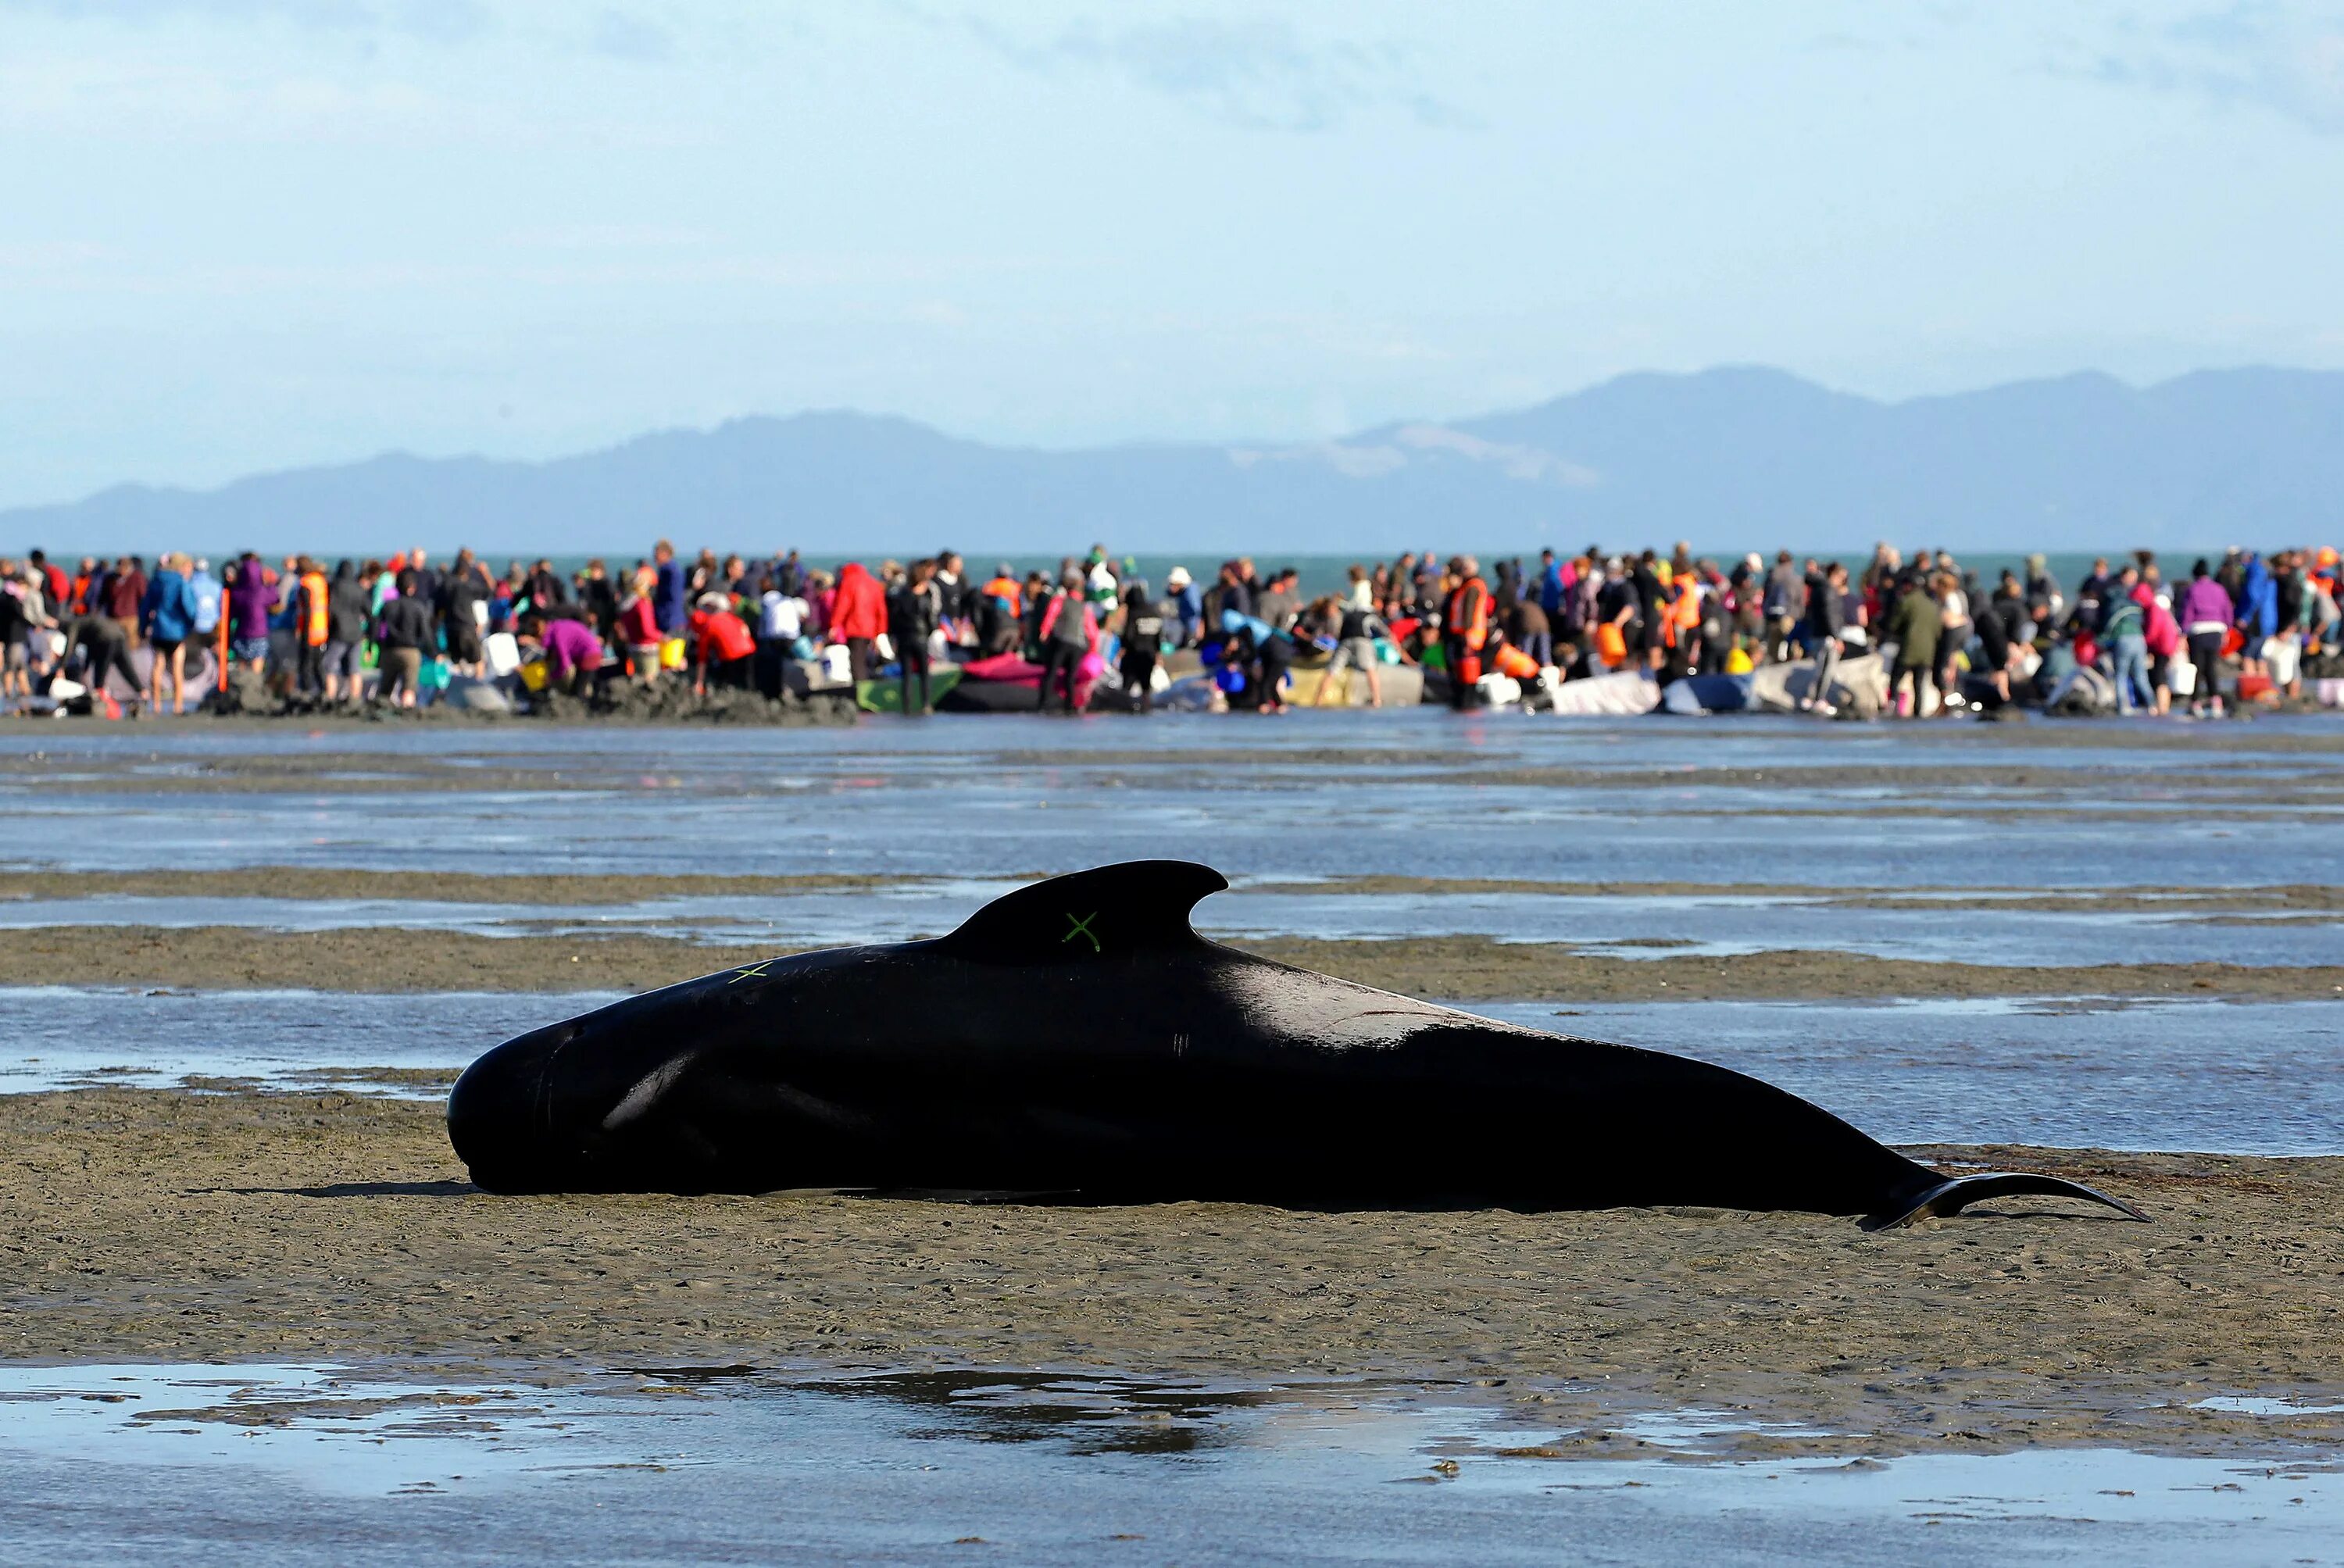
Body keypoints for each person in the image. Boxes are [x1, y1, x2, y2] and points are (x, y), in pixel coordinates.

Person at [140, 553, 199, 714]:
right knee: (177, 669)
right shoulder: (181, 582)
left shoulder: (156, 581)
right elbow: (189, 607)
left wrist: (143, 628)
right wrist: (191, 623)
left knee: (157, 667)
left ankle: (156, 705)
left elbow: (145, 607)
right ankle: (177, 706)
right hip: (176, 631)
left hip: (158, 629)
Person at [2175, 559, 2234, 719]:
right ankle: (2216, 701)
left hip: (2198, 630)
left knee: (2197, 668)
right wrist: (2227, 629)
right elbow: (2227, 609)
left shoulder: (2192, 589)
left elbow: (2188, 611)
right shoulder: (2219, 589)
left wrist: (2183, 632)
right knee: (2211, 668)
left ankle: (2195, 703)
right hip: (2216, 630)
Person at [887, 558, 943, 716]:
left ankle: (907, 705)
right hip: (921, 637)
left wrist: (895, 637)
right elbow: (931, 621)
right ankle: (926, 704)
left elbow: (894, 619)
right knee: (924, 673)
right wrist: (929, 632)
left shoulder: (901, 596)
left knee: (907, 674)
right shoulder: (925, 598)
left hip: (905, 638)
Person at [1034, 569, 1095, 713]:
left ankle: (1043, 705)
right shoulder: (1084, 607)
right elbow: (1091, 630)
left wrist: (1044, 631)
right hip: (1078, 645)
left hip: (1061, 641)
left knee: (1051, 673)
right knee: (1071, 676)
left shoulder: (1060, 601)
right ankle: (1070, 706)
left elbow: (1051, 615)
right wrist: (1093, 649)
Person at [370, 569, 434, 707]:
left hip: (389, 651)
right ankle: (407, 712)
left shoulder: (387, 606)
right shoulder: (418, 607)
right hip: (410, 651)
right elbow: (425, 633)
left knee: (385, 688)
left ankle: (382, 710)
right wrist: (433, 653)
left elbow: (378, 630)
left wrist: (375, 646)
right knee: (409, 688)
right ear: (412, 588)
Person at [1883, 571, 1942, 717]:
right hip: (1927, 651)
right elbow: (1938, 630)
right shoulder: (1932, 605)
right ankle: (1918, 712)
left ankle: (1894, 708)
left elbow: (1894, 626)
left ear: (1909, 586)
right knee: (1919, 684)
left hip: (1909, 649)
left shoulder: (1906, 601)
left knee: (1896, 679)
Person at [2101, 565, 2152, 715]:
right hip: (2139, 639)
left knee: (2121, 675)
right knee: (2141, 675)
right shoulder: (2134, 602)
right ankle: (2152, 705)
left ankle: (2123, 707)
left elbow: (2109, 624)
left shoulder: (2113, 601)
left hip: (2123, 639)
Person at [1441, 555, 1491, 709]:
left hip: (1469, 636)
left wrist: (1468, 636)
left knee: (1468, 672)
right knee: (1461, 670)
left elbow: (1469, 612)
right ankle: (1463, 701)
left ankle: (1468, 703)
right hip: (1463, 635)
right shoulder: (1466, 586)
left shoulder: (1473, 586)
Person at [1798, 561, 1848, 715]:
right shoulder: (1828, 590)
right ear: (1834, 575)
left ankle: (1811, 699)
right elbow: (1830, 614)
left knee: (1818, 668)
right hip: (1827, 636)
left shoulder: (1817, 588)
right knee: (1825, 669)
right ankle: (1819, 699)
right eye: (1841, 577)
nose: (1843, 581)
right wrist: (1836, 636)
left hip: (1817, 633)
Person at [827, 561, 886, 680]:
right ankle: (865, 685)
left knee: (856, 661)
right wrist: (880, 632)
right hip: (870, 628)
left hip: (855, 626)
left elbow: (843, 605)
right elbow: (881, 610)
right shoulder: (873, 583)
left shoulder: (849, 582)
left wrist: (834, 624)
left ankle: (860, 690)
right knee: (862, 658)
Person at [321, 561, 370, 702]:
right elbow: (370, 613)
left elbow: (330, 610)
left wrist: (328, 629)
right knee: (354, 669)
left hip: (339, 633)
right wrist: (370, 635)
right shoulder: (359, 588)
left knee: (328, 666)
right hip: (356, 634)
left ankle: (330, 697)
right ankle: (355, 700)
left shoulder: (334, 587)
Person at [689, 591, 756, 694]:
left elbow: (702, 658)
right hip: (749, 651)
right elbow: (745, 629)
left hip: (732, 656)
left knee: (731, 685)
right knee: (747, 685)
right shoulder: (730, 617)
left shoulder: (708, 626)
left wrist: (699, 683)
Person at [1116, 581, 1165, 713]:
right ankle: (1146, 709)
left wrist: (1122, 650)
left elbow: (1128, 636)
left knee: (1126, 687)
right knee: (1146, 687)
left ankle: (1124, 709)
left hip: (1133, 656)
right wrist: (1158, 654)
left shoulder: (1134, 613)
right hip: (1149, 655)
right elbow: (1159, 637)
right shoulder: (1155, 613)